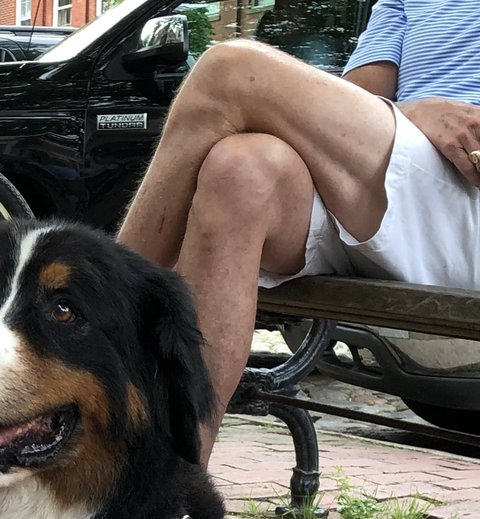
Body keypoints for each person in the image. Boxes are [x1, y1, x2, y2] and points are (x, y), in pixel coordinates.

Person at [117, 0, 480, 462]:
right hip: (399, 195)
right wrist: (416, 113)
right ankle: (169, 488)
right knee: (242, 172)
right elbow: (364, 102)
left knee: (233, 70)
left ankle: (95, 338)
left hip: (469, 188)